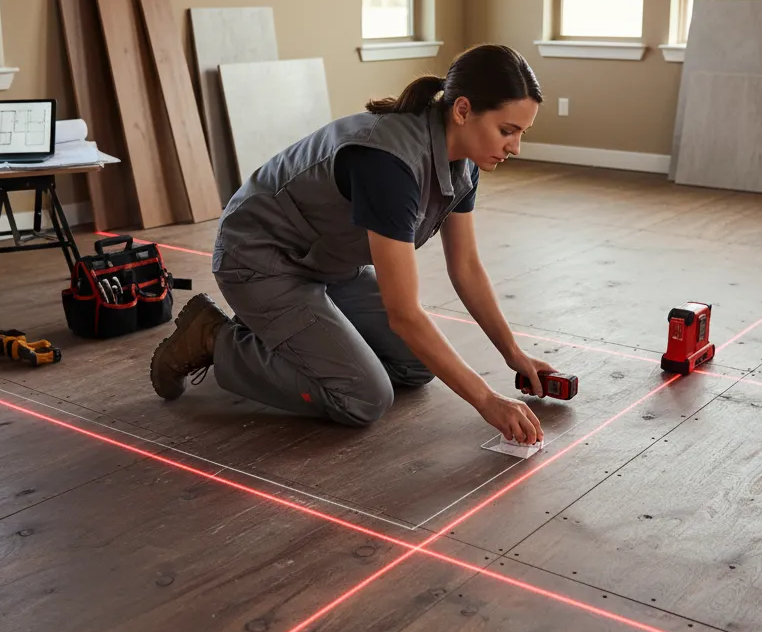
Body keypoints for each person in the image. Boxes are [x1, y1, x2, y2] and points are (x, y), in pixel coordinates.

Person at [150, 43, 552, 445]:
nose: (515, 146)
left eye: (522, 133)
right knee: (363, 397)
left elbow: (465, 267)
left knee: (414, 367)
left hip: (327, 261)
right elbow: (404, 314)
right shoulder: (390, 165)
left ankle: (288, 334)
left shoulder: (464, 160)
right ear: (462, 110)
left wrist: (512, 353)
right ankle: (215, 338)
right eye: (507, 130)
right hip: (259, 258)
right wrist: (486, 400)